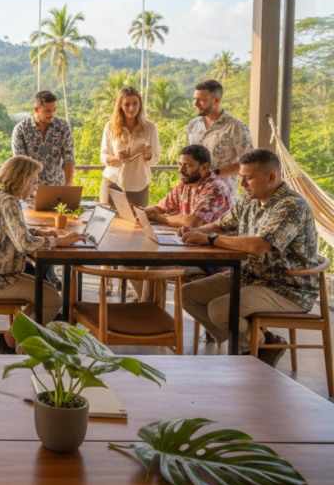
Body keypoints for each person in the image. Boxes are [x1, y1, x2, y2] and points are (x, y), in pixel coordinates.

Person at [179, 149, 321, 367]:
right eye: (242, 177)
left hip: (286, 287)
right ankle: (260, 344)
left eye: (248, 178)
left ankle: (254, 355)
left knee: (220, 309)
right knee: (187, 295)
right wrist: (194, 232)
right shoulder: (250, 200)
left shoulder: (291, 206)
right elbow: (220, 225)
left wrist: (210, 239)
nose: (242, 184)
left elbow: (258, 246)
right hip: (249, 276)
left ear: (271, 177)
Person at [0, 155, 84, 355]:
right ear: (21, 180)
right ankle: (13, 344)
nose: (34, 188)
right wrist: (59, 241)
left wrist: (38, 233)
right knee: (52, 300)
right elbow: (25, 245)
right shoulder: (9, 202)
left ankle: (7, 342)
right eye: (33, 182)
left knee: (45, 292)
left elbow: (12, 232)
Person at [124, 144, 233, 302]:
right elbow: (161, 207)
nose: (181, 170)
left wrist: (156, 217)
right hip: (186, 248)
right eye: (180, 164)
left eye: (187, 165)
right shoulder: (186, 184)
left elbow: (192, 221)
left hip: (209, 258)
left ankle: (148, 314)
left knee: (155, 265)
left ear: (204, 168)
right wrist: (139, 212)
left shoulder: (215, 188)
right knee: (130, 262)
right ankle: (149, 309)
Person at [187, 79, 253, 195]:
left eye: (201, 100)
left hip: (223, 196)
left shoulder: (236, 127)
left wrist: (214, 173)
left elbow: (249, 163)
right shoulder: (193, 125)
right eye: (195, 99)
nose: (195, 104)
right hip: (195, 194)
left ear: (216, 100)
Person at [99, 86, 159, 209]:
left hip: (139, 186)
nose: (131, 108)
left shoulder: (150, 128)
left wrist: (148, 156)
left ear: (140, 105)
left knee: (136, 226)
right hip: (112, 182)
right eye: (127, 104)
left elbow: (156, 157)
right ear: (120, 106)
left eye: (135, 103)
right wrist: (117, 158)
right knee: (107, 225)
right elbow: (103, 156)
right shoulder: (110, 127)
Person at [11, 90, 76, 187]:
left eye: (54, 109)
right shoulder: (21, 129)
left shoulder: (63, 126)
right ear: (36, 109)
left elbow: (69, 157)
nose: (52, 114)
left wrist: (68, 184)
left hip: (58, 187)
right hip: (30, 190)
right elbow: (21, 164)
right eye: (47, 111)